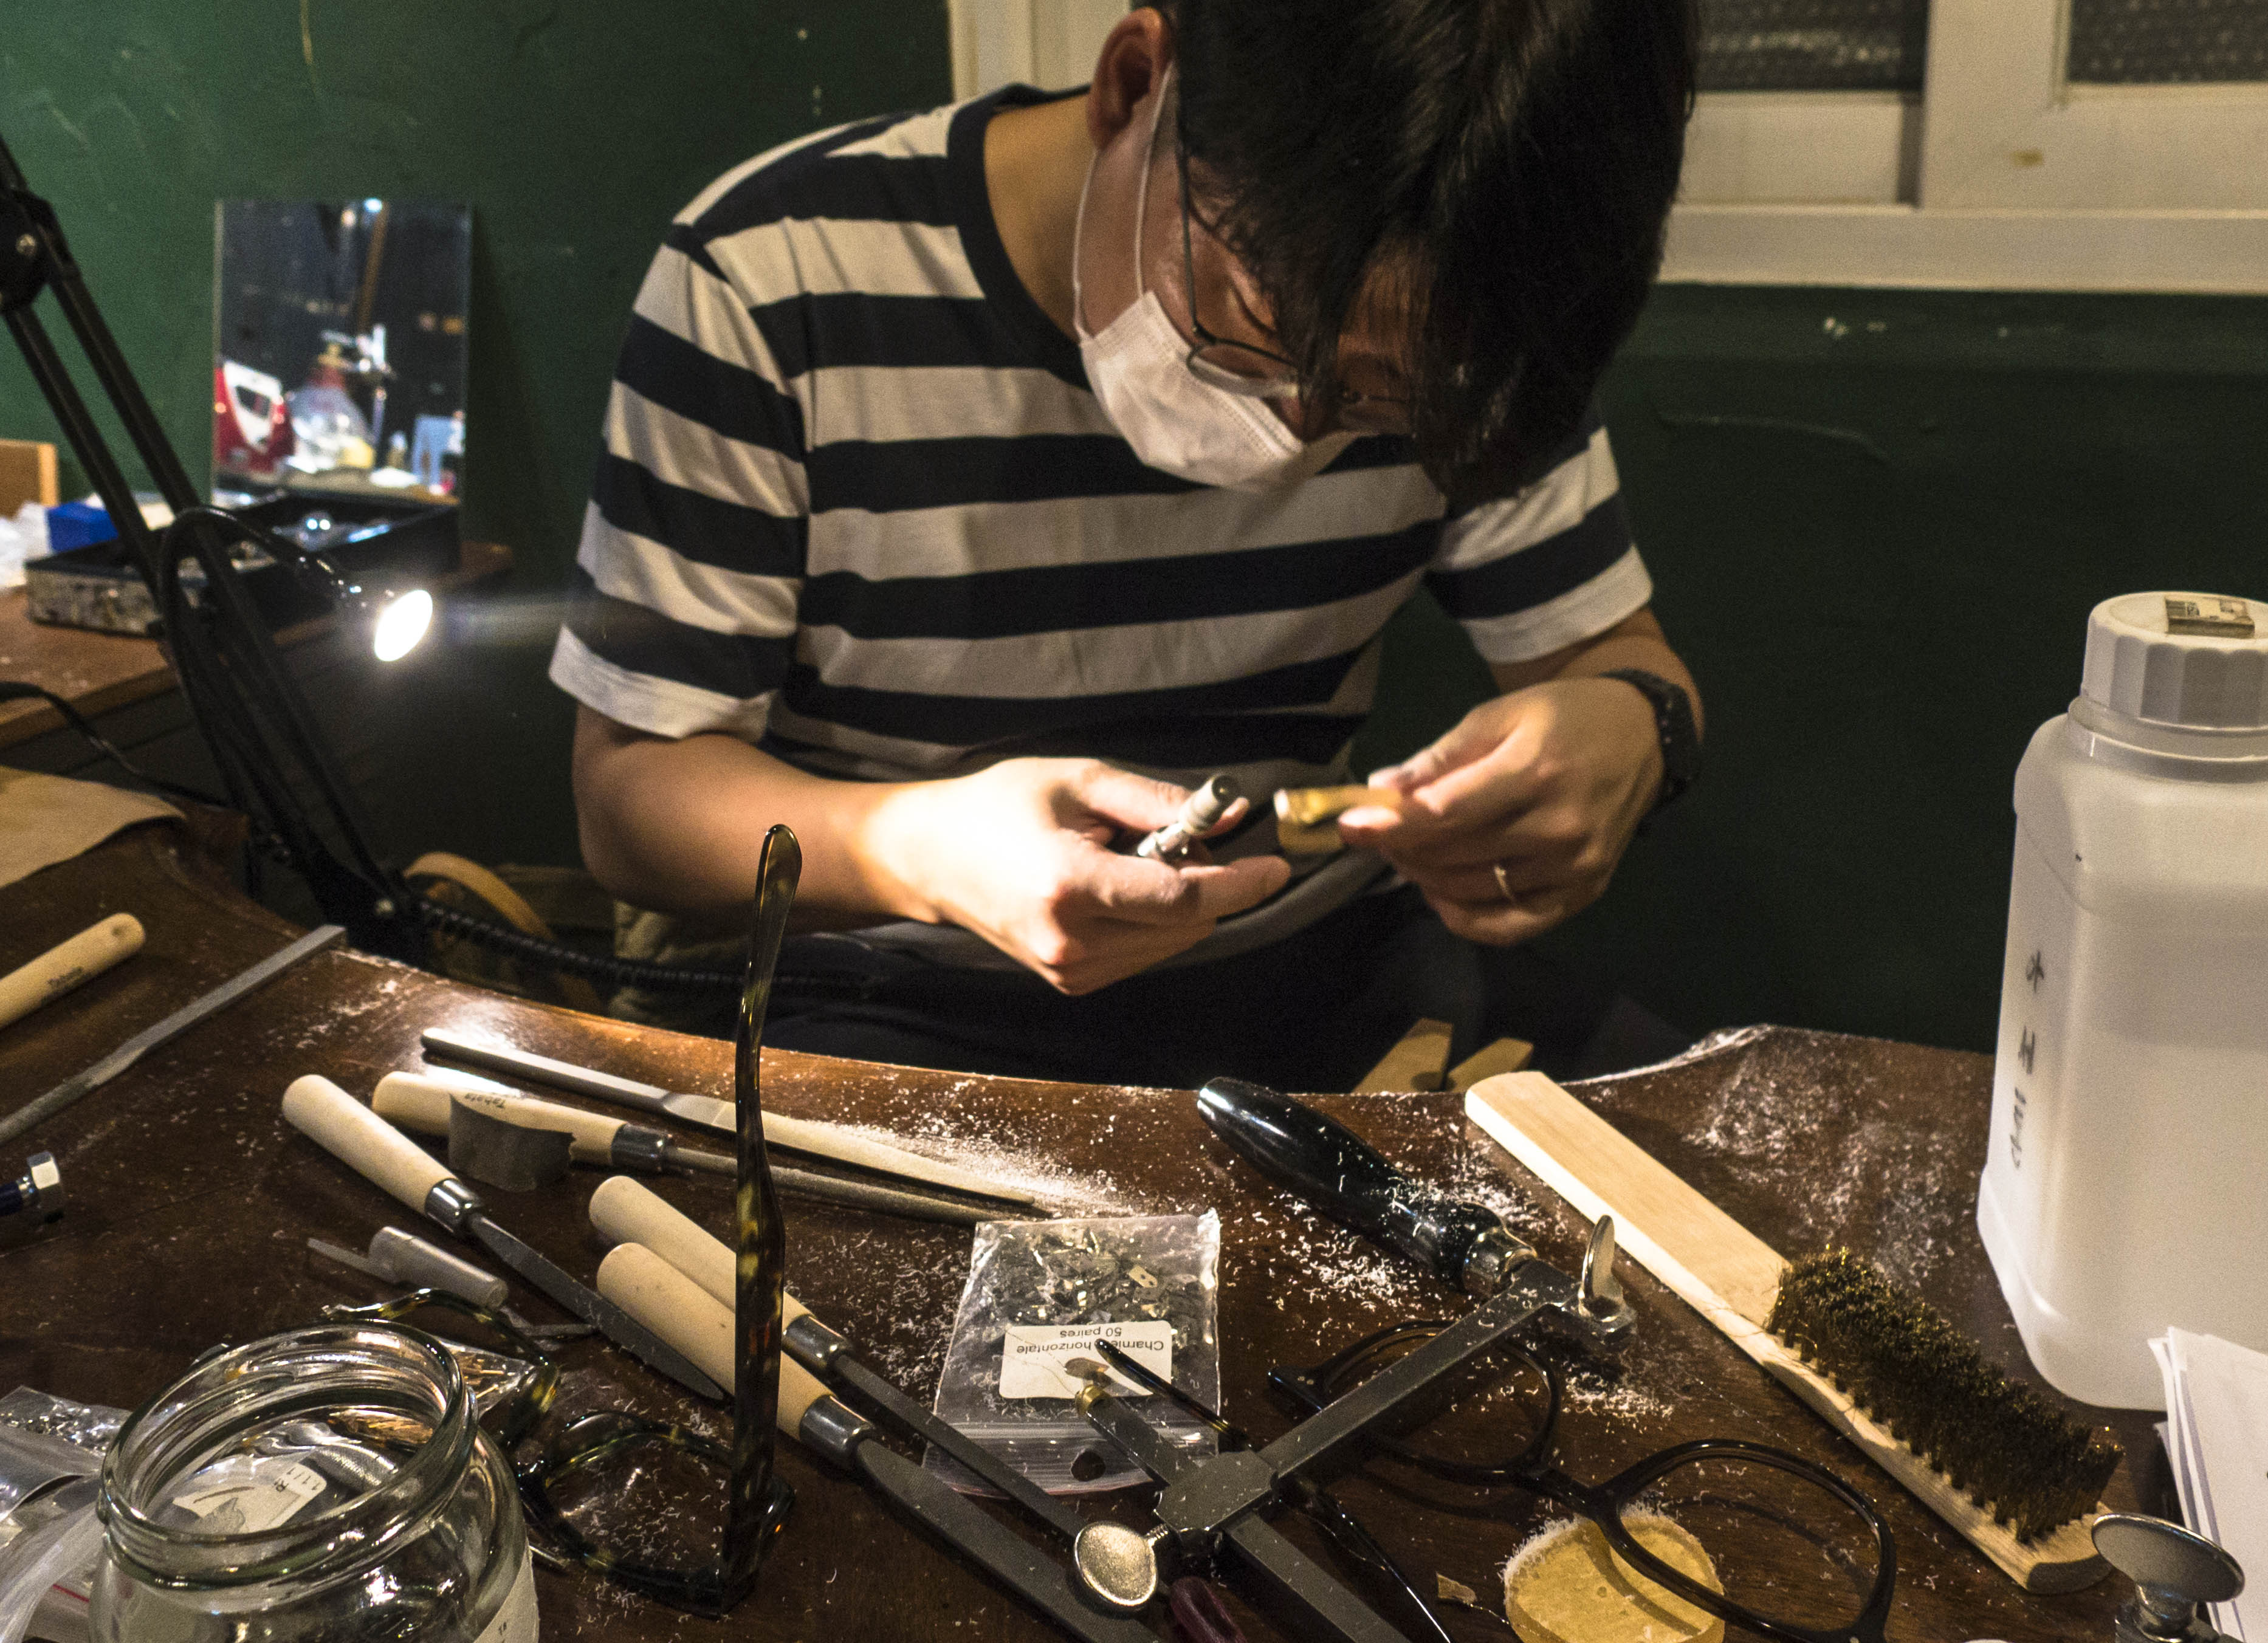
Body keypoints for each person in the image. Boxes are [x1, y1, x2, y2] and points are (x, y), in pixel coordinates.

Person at [549, 0, 1705, 1090]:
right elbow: (630, 796)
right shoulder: (773, 276)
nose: (1299, 426)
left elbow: (1618, 660)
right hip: (893, 988)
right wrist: (914, 852)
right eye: (1254, 322)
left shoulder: (1484, 336)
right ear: (1136, 82)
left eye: (1379, 395)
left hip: (1316, 968)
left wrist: (1630, 728)